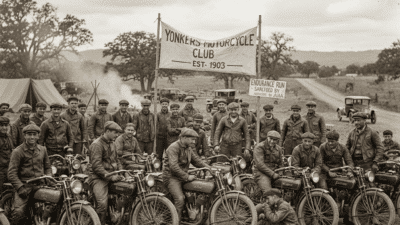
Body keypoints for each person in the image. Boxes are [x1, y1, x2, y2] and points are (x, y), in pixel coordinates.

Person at [8, 124, 52, 225]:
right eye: (29, 134)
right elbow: (11, 173)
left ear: (38, 136)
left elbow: (47, 167)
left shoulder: (43, 149)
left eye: (34, 134)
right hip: (25, 186)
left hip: (40, 184)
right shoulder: (17, 151)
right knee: (18, 213)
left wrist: (49, 177)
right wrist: (20, 188)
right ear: (25, 136)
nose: (32, 137)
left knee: (54, 204)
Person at [162, 128, 210, 221]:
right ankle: (175, 221)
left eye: (195, 139)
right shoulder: (173, 147)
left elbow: (196, 161)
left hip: (182, 175)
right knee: (180, 200)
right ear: (183, 138)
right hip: (171, 177)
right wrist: (187, 176)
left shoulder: (188, 148)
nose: (194, 141)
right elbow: (173, 167)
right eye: (192, 139)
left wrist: (209, 168)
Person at [88, 121, 124, 225]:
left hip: (112, 175)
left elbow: (117, 160)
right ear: (107, 131)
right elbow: (96, 166)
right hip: (98, 177)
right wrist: (110, 177)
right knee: (102, 204)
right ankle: (100, 222)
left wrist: (121, 173)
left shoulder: (112, 143)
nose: (117, 135)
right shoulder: (96, 144)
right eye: (115, 132)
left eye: (117, 133)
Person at [253, 131, 283, 195]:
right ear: (267, 137)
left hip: (275, 171)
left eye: (274, 140)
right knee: (269, 193)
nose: (272, 141)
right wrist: (272, 174)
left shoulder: (279, 149)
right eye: (270, 138)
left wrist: (281, 172)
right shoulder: (260, 147)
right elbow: (260, 165)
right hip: (261, 173)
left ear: (277, 140)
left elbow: (281, 163)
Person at [0, 116, 13, 194]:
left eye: (6, 125)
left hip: (8, 169)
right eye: (1, 125)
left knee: (8, 192)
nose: (4, 128)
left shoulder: (8, 137)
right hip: (1, 170)